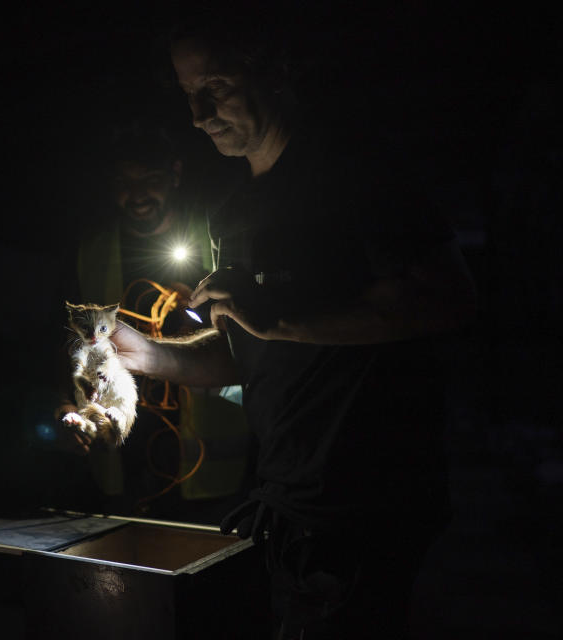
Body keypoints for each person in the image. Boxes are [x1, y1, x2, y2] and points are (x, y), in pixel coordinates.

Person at [108, 9, 479, 639]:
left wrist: (281, 317)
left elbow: (448, 299)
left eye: (215, 88)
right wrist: (147, 355)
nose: (198, 116)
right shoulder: (235, 211)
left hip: (366, 504)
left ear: (274, 70)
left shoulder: (356, 173)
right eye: (188, 95)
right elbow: (247, 348)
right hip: (289, 507)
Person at [51, 124, 253, 522]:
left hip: (208, 460)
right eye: (124, 182)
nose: (138, 194)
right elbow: (65, 342)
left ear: (175, 174)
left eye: (151, 179)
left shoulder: (216, 240)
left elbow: (250, 344)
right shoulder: (92, 251)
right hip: (124, 456)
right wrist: (64, 403)